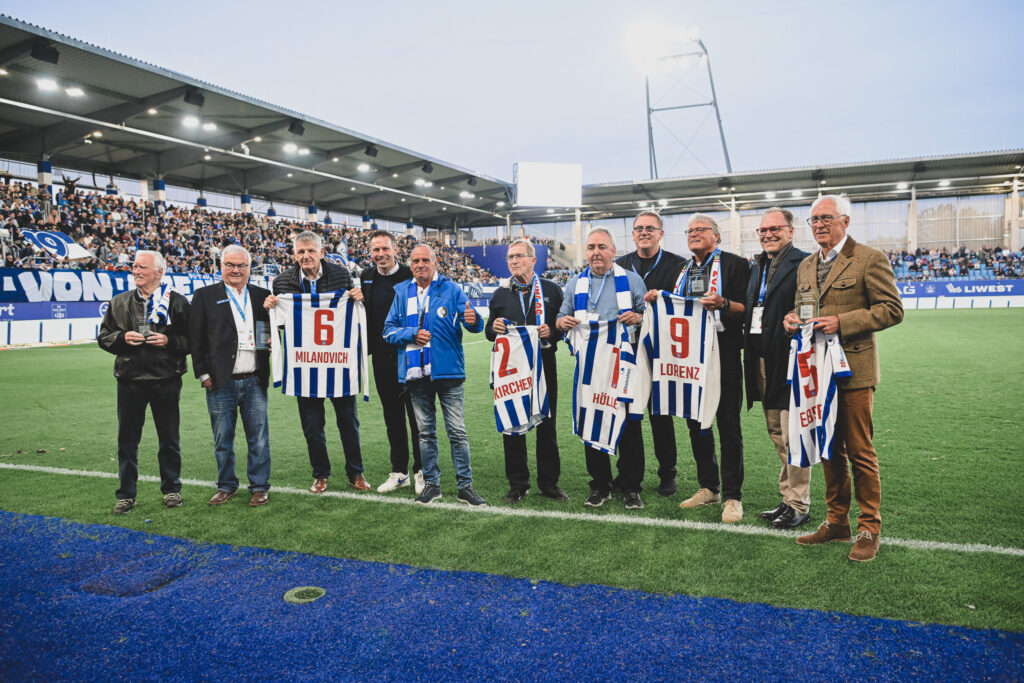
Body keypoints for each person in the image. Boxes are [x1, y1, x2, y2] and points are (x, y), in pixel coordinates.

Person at [784, 195, 903, 562]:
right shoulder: (806, 265)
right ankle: (837, 522)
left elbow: (892, 310)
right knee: (829, 448)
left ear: (845, 221)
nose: (819, 224)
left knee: (860, 450)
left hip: (853, 370)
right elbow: (805, 308)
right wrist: (793, 318)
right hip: (815, 372)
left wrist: (844, 322)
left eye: (826, 218)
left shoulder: (869, 258)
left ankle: (870, 527)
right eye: (813, 220)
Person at [383, 244, 486, 506]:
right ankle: (432, 484)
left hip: (448, 372)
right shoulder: (402, 292)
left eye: (425, 260)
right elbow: (388, 331)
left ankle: (465, 486)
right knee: (425, 433)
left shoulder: (451, 289)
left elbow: (474, 324)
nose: (420, 265)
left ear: (435, 262)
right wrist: (411, 334)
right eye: (415, 260)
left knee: (457, 432)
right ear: (410, 264)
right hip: (416, 375)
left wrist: (473, 320)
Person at [265, 230, 368, 494]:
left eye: (311, 250)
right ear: (294, 254)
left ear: (322, 252)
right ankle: (320, 474)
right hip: (304, 364)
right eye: (300, 251)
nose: (306, 256)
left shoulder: (340, 275)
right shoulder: (282, 282)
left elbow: (350, 316)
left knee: (349, 423)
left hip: (338, 363)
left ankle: (355, 472)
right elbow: (278, 325)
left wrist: (357, 299)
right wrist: (271, 308)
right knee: (312, 427)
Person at [555, 228, 647, 510]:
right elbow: (561, 316)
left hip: (624, 364)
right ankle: (600, 486)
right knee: (592, 419)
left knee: (630, 425)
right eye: (592, 247)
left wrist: (639, 317)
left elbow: (650, 315)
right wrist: (562, 323)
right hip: (590, 365)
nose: (596, 252)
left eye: (602, 247)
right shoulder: (574, 283)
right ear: (586, 251)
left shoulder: (631, 280)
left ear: (613, 251)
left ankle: (631, 486)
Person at [98, 250, 190, 514]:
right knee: (127, 441)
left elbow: (194, 340)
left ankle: (172, 489)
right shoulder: (118, 302)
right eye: (135, 267)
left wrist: (170, 341)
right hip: (129, 381)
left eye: (142, 267)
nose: (136, 271)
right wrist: (121, 339)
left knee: (169, 439)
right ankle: (126, 494)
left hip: (166, 380)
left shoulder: (178, 303)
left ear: (159, 272)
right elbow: (104, 336)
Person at [672, 214, 749, 523]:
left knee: (728, 425)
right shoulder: (683, 270)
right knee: (696, 423)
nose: (693, 234)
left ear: (716, 236)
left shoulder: (735, 265)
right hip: (691, 358)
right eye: (689, 231)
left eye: (700, 230)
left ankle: (733, 497)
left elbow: (750, 310)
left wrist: (724, 304)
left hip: (725, 354)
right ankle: (709, 487)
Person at [189, 244, 273, 507]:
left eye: (241, 266)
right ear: (221, 266)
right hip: (220, 380)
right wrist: (203, 374)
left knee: (258, 438)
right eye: (230, 265)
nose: (236, 270)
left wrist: (272, 340)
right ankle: (226, 485)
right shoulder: (204, 295)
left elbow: (271, 330)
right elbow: (196, 338)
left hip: (254, 378)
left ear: (250, 268)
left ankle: (259, 486)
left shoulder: (263, 295)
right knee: (222, 438)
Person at [742, 208, 810, 529]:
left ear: (790, 231)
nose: (768, 234)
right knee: (777, 434)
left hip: (788, 361)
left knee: (792, 436)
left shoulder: (804, 263)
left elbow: (812, 305)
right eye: (763, 230)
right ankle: (788, 499)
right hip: (760, 361)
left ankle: (798, 503)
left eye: (775, 228)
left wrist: (800, 318)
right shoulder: (758, 266)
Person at [486, 238, 567, 503]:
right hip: (512, 369)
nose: (514, 261)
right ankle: (518, 484)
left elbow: (562, 328)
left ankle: (549, 483)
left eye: (519, 256)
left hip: (544, 364)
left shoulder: (552, 290)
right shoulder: (500, 293)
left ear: (534, 260)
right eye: (510, 257)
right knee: (512, 423)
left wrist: (551, 331)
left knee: (547, 424)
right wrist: (494, 326)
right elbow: (489, 332)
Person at [618, 210, 687, 497]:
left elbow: (683, 307)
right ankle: (627, 473)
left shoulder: (678, 265)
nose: (643, 232)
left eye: (650, 228)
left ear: (661, 233)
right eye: (638, 228)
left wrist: (644, 318)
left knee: (661, 416)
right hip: (625, 352)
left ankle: (667, 474)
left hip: (662, 353)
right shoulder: (619, 265)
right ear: (632, 234)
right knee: (627, 415)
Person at [358, 230, 423, 494]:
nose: (381, 254)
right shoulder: (367, 278)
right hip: (382, 358)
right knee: (392, 417)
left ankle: (422, 470)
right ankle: (399, 472)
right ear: (370, 252)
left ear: (395, 249)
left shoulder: (410, 274)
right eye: (376, 250)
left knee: (417, 417)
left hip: (410, 355)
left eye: (385, 249)